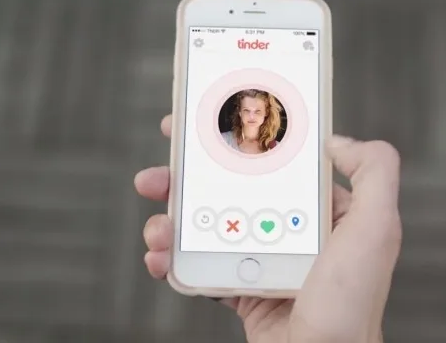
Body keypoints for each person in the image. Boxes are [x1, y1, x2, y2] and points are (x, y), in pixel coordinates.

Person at [134, 114, 402, 343]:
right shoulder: (227, 140)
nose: (252, 116)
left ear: (267, 115)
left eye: (258, 110)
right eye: (246, 110)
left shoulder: (274, 143)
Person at [221, 89, 282, 154]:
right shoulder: (222, 140)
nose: (251, 117)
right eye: (246, 110)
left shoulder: (278, 148)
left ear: (266, 112)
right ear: (240, 112)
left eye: (257, 111)